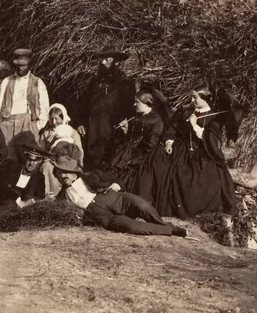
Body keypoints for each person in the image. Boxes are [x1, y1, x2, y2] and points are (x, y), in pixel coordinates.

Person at [50, 143, 188, 238]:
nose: (62, 177)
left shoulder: (91, 175)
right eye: (59, 174)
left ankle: (163, 223)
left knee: (142, 205)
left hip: (116, 199)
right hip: (104, 217)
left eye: (65, 173)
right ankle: (171, 230)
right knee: (132, 227)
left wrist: (115, 184)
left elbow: (116, 178)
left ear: (74, 172)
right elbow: (61, 212)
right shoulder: (63, 195)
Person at [144, 82, 237, 221]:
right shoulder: (186, 112)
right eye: (192, 97)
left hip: (203, 152)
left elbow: (210, 139)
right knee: (164, 163)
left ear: (205, 98)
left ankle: (194, 210)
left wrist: (194, 124)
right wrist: (169, 142)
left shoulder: (215, 117)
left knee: (198, 177)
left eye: (195, 98)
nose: (192, 100)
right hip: (181, 149)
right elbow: (172, 130)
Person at [102, 84, 169, 190]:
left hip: (142, 154)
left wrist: (135, 154)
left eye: (137, 102)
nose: (134, 104)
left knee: (127, 175)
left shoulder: (156, 120)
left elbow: (151, 143)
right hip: (128, 150)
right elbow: (133, 137)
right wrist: (126, 131)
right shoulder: (138, 116)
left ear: (147, 103)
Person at [80, 50, 135, 169]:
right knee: (93, 156)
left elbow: (129, 108)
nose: (104, 62)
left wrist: (123, 123)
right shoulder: (94, 82)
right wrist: (81, 123)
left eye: (108, 59)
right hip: (94, 126)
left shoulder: (125, 83)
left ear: (115, 62)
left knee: (108, 156)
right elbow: (84, 105)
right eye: (102, 59)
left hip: (112, 126)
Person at [0, 48, 49, 147]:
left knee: (26, 156)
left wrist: (37, 126)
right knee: (7, 155)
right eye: (18, 65)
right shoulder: (7, 81)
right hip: (8, 122)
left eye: (23, 65)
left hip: (28, 124)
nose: (20, 68)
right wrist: (1, 124)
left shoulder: (37, 82)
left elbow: (44, 107)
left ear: (29, 65)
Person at [38, 103, 84, 198]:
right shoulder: (46, 132)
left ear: (63, 118)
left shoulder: (72, 132)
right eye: (51, 119)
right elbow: (41, 149)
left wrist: (79, 166)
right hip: (52, 160)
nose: (54, 122)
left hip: (69, 162)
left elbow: (79, 151)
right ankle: (50, 195)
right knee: (46, 166)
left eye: (56, 119)